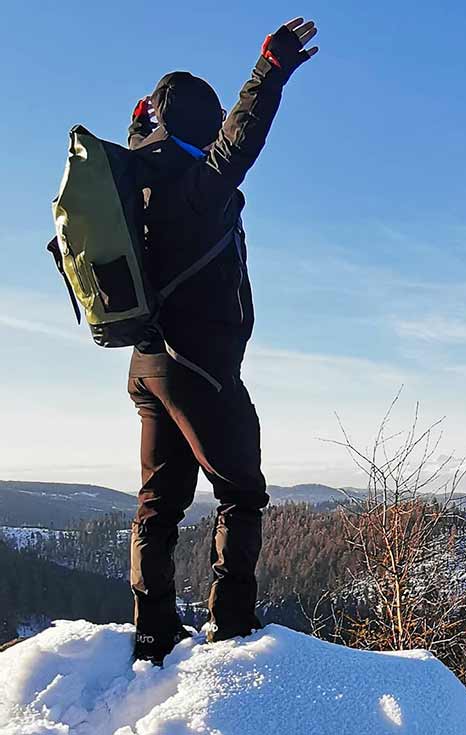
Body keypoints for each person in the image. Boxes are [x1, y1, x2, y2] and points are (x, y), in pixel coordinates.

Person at [124, 18, 319, 664]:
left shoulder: (141, 185)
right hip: (201, 365)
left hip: (148, 363)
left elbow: (167, 142)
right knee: (240, 491)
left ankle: (152, 631)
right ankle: (231, 624)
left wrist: (141, 124)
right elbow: (241, 137)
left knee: (158, 503)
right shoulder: (196, 189)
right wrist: (271, 67)